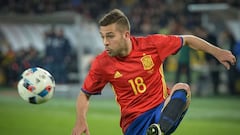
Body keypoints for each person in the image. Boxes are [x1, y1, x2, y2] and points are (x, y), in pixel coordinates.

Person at [72, 9, 236, 135]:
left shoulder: (152, 45)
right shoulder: (102, 63)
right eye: (102, 37)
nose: (105, 42)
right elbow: (84, 93)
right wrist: (80, 120)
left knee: (182, 89)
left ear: (126, 35)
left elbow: (188, 39)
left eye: (110, 36)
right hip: (134, 123)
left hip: (160, 112)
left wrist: (218, 52)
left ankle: (158, 130)